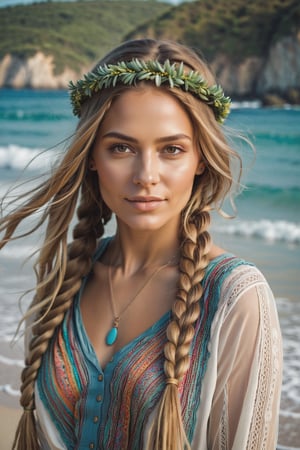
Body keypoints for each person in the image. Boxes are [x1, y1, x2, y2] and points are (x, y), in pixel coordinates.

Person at [0, 39, 282, 450]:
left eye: (171, 149)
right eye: (121, 148)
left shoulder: (236, 297)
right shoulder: (65, 277)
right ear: (92, 156)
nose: (146, 175)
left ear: (200, 158)